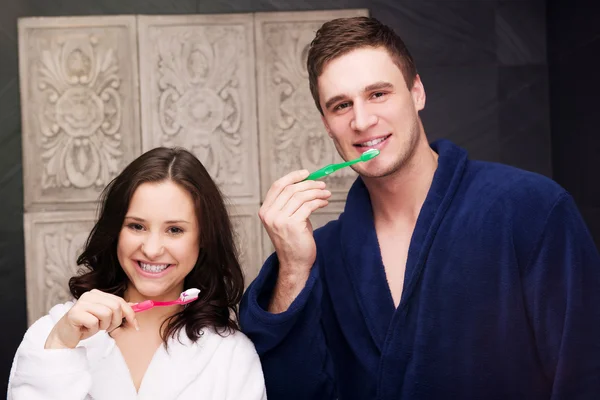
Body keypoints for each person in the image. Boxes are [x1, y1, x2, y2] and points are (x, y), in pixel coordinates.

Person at [239, 16, 600, 400]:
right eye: (341, 105)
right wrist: (293, 268)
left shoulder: (531, 208)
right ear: (327, 124)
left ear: (417, 93)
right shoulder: (320, 256)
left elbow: (585, 373)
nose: (362, 121)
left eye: (378, 94)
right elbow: (293, 390)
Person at [8, 147, 267, 399]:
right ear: (115, 231)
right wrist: (61, 346)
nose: (152, 249)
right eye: (136, 226)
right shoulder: (50, 335)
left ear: (203, 238)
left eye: (174, 230)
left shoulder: (231, 355)